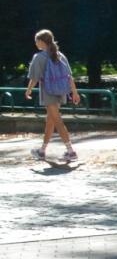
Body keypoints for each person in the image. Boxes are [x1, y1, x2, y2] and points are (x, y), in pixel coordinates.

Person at [25, 29, 81, 163]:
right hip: (60, 92)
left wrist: (28, 90)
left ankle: (70, 151)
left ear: (41, 42)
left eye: (36, 41)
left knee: (57, 121)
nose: (35, 43)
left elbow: (34, 78)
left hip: (48, 93)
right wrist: (74, 92)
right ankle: (42, 151)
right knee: (50, 121)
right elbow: (69, 77)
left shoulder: (39, 57)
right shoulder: (60, 55)